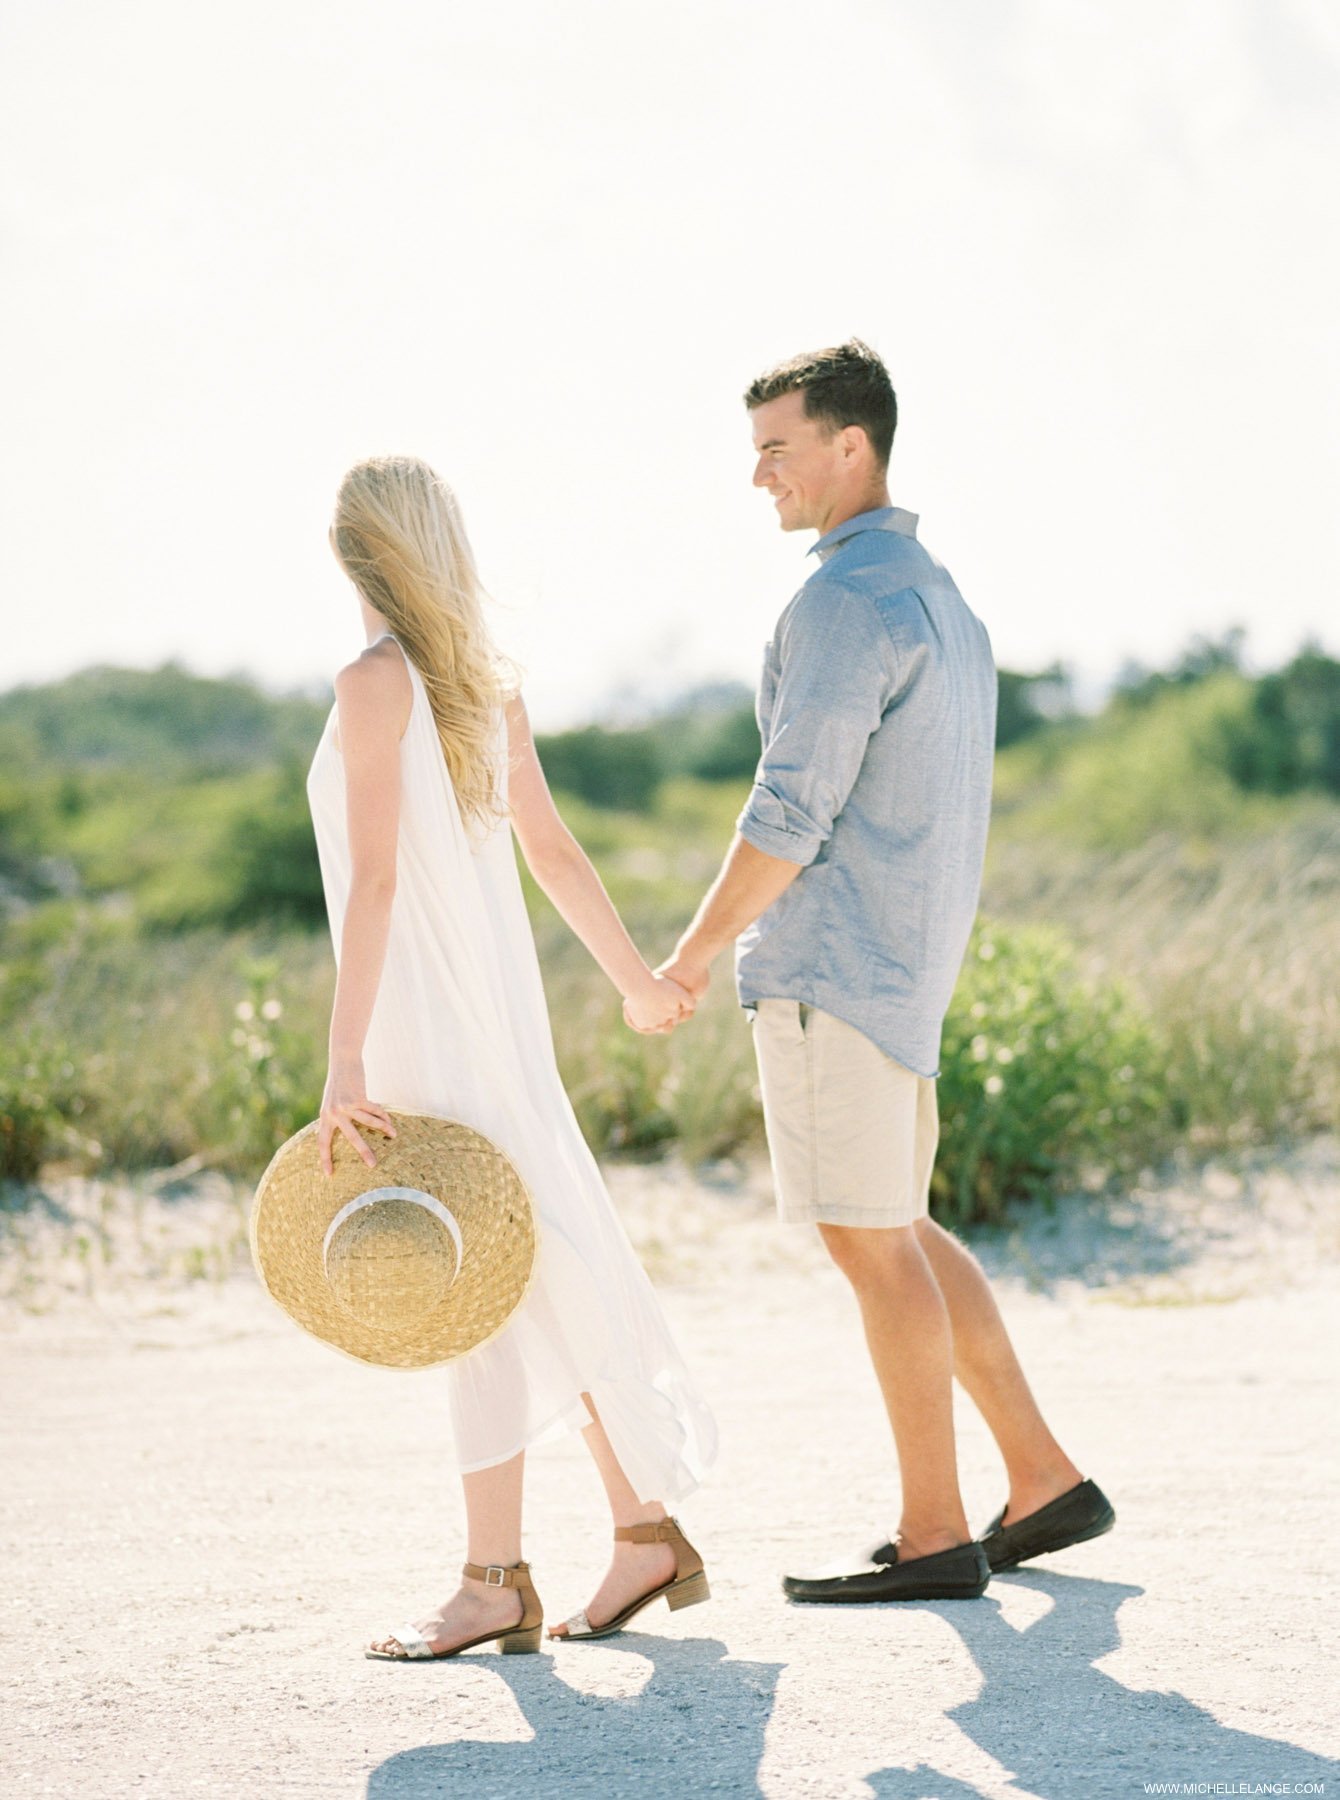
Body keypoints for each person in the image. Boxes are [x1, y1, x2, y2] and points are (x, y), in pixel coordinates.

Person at [645, 340, 1113, 1601]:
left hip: (835, 975)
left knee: (870, 1243)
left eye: (776, 451)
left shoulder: (845, 604)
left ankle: (930, 1533)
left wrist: (687, 958)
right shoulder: (939, 599)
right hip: (903, 978)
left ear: (852, 446)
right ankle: (1041, 1480)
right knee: (896, 1228)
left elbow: (785, 814)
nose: (758, 480)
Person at [308, 455, 717, 1659]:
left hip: (424, 1023)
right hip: (492, 1022)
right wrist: (636, 981)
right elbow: (552, 850)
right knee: (520, 1270)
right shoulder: (484, 687)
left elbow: (377, 879)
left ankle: (503, 1578)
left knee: (478, 1277)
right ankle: (634, 1530)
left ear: (351, 554)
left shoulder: (373, 684)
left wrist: (343, 1059)